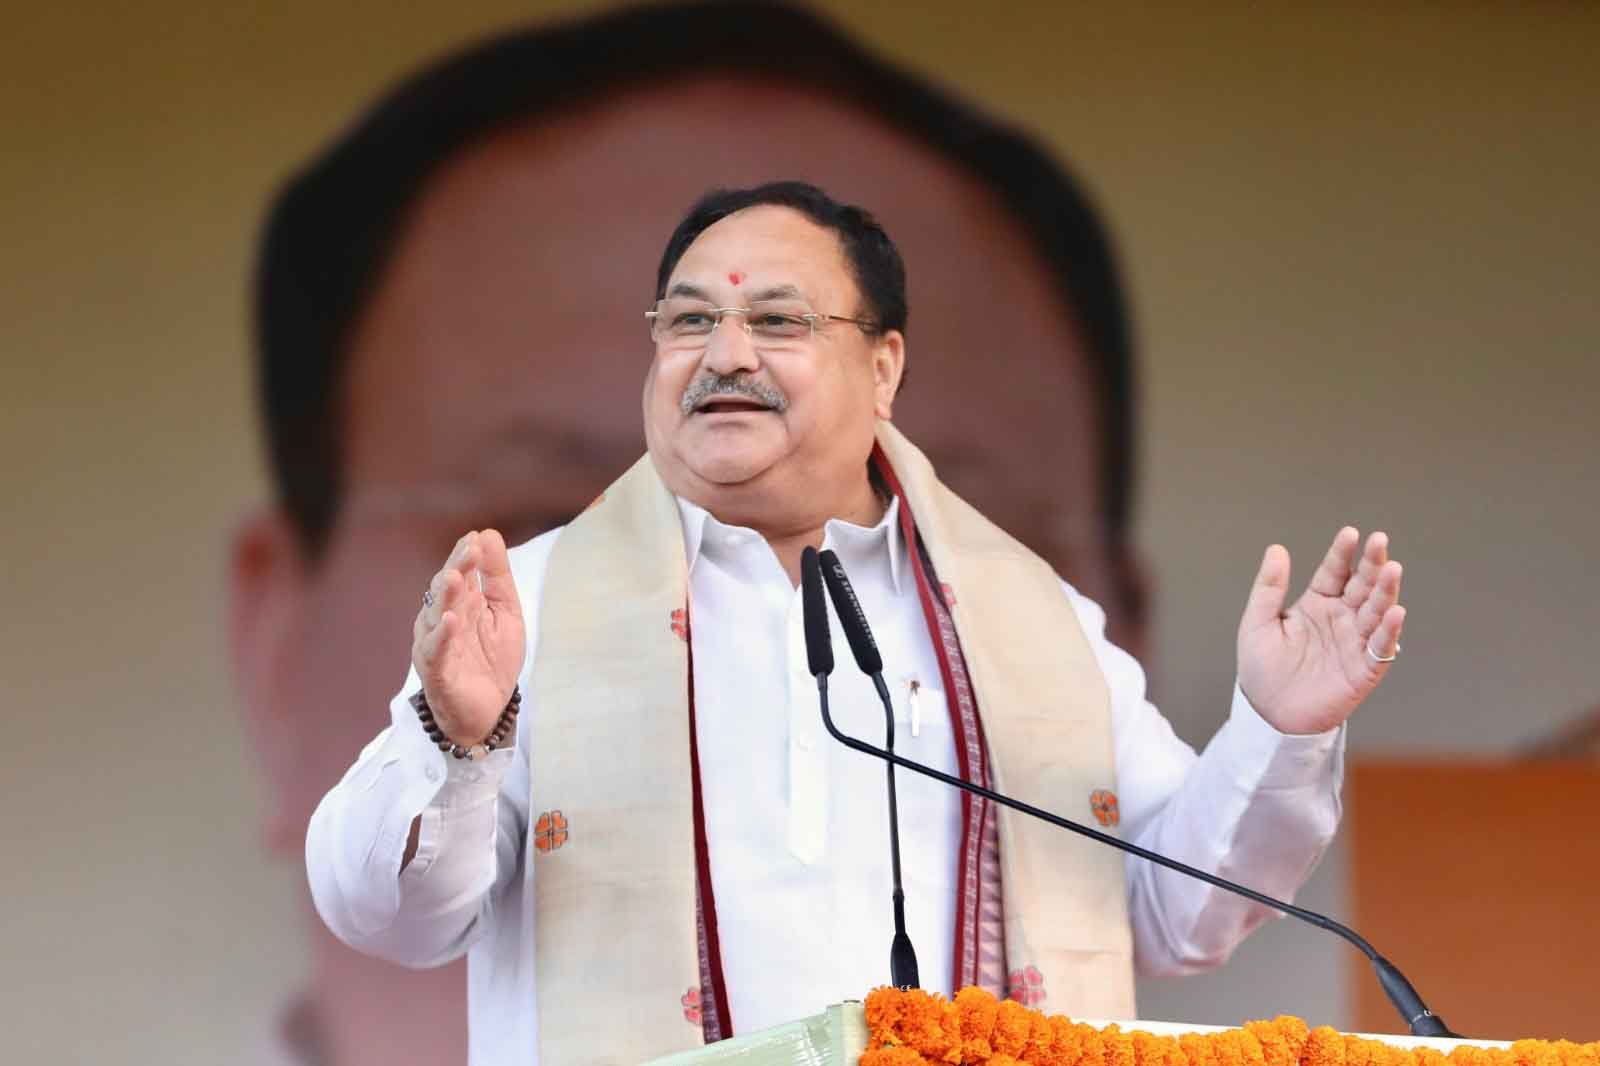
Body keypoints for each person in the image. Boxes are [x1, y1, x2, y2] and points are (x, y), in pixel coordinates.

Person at [229, 4, 1372, 1063]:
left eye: (776, 319)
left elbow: (1181, 909)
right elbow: (384, 914)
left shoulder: (1028, 621)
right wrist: (453, 738)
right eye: (688, 321)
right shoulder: (540, 603)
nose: (724, 354)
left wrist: (1278, 730)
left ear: (884, 366)